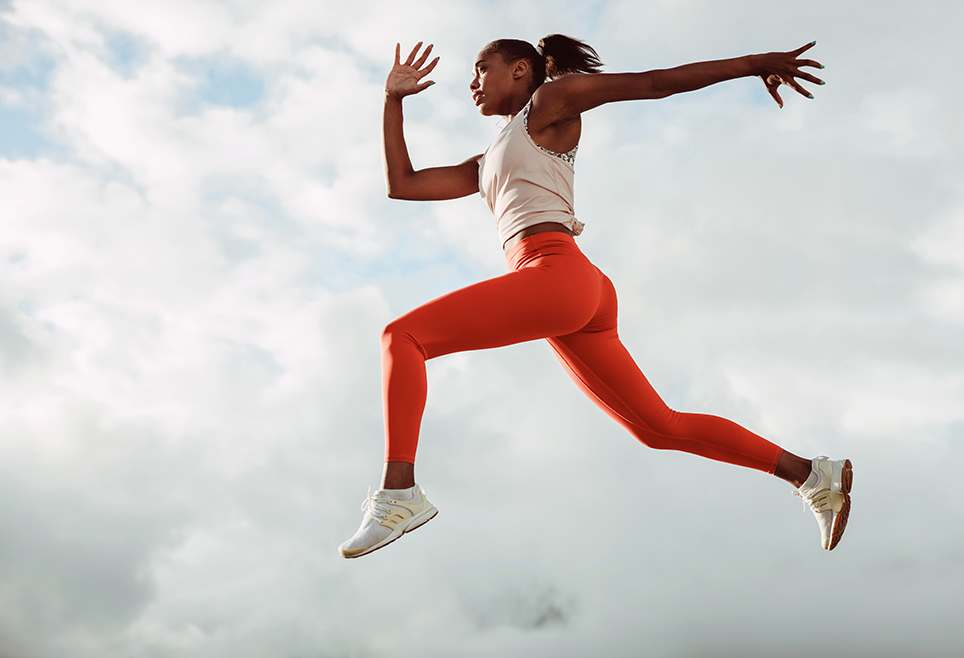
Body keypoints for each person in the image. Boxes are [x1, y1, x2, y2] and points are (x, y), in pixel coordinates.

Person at [339, 35, 852, 559]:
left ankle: (398, 492)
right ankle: (811, 474)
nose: (473, 83)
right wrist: (392, 100)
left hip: (556, 274)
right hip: (572, 290)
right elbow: (402, 184)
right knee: (658, 427)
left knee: (401, 336)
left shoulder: (550, 102)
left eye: (481, 68)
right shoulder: (490, 155)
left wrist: (753, 62)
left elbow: (653, 84)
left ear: (520, 70)